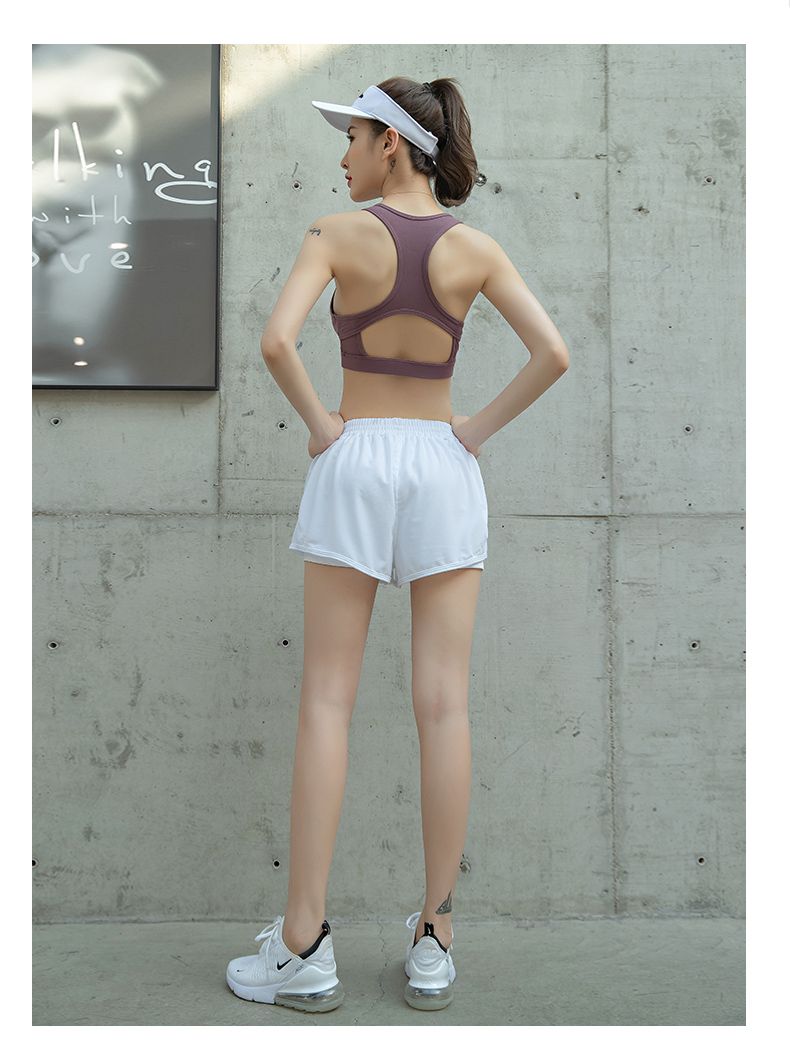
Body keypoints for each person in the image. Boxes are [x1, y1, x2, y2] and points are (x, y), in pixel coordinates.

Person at [226, 76, 569, 1013]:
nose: (341, 155)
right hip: (441, 467)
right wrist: (472, 432)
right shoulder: (474, 248)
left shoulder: (335, 234)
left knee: (327, 700)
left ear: (390, 142)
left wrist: (322, 428)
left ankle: (304, 944)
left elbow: (276, 342)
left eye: (352, 136)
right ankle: (434, 939)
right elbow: (554, 353)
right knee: (444, 704)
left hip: (357, 456)